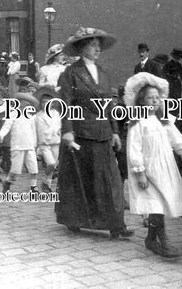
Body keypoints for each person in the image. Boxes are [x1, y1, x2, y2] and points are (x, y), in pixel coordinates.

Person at [56, 27, 132, 238]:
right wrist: (68, 131)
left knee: (110, 179)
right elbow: (65, 104)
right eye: (92, 45)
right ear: (82, 48)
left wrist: (115, 131)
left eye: (99, 45)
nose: (97, 49)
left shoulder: (104, 73)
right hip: (81, 134)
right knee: (81, 179)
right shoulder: (70, 73)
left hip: (104, 133)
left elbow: (109, 106)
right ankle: (75, 220)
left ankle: (116, 224)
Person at [125, 72, 182, 257]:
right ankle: (161, 240)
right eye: (149, 98)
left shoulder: (164, 120)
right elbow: (134, 149)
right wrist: (140, 173)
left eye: (157, 98)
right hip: (147, 169)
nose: (154, 101)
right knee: (155, 205)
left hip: (164, 168)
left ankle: (151, 238)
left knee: (159, 205)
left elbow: (177, 139)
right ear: (141, 101)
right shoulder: (138, 122)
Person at [0, 93, 40, 193]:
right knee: (15, 170)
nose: (25, 104)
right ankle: (8, 182)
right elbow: (6, 126)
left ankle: (33, 187)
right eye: (22, 102)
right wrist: (1, 134)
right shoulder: (13, 114)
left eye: (27, 103)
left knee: (34, 168)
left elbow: (34, 131)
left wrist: (35, 144)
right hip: (17, 146)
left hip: (29, 145)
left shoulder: (31, 117)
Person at [34, 86, 61, 193]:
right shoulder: (38, 116)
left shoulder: (57, 114)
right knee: (50, 163)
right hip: (44, 144)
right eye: (43, 102)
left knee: (54, 164)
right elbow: (36, 131)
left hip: (55, 142)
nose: (45, 104)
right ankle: (46, 181)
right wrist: (36, 146)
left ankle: (47, 183)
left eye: (48, 102)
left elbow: (59, 127)